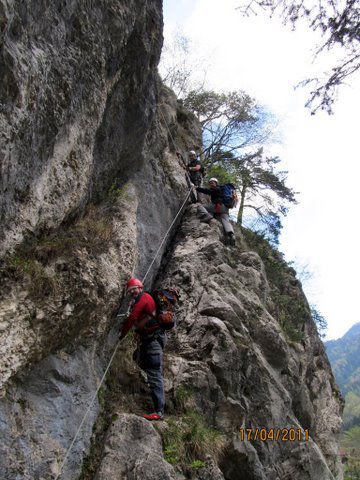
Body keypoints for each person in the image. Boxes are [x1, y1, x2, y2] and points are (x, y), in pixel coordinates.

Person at [119, 278, 165, 421]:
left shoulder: (144, 298)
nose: (132, 291)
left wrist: (121, 335)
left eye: (134, 288)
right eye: (130, 290)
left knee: (154, 373)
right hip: (152, 340)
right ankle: (149, 390)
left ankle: (159, 411)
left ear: (141, 287)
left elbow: (133, 317)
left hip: (152, 343)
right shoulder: (145, 298)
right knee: (139, 360)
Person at [196, 178, 236, 246]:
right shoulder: (223, 190)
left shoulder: (217, 188)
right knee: (225, 220)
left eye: (212, 182)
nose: (211, 184)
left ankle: (206, 215)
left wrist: (197, 188)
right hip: (225, 208)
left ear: (216, 183)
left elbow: (208, 191)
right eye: (210, 183)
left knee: (200, 207)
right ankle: (231, 234)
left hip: (218, 206)